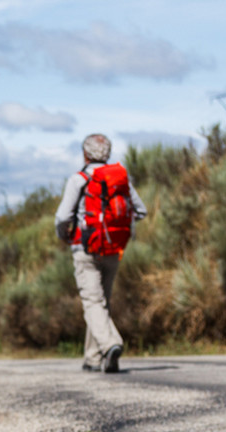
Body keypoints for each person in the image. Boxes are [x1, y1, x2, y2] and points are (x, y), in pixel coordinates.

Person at [54, 133, 147, 374]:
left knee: (92, 302)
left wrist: (64, 235)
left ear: (85, 154)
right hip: (114, 248)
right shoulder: (120, 179)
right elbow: (141, 210)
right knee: (101, 303)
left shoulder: (79, 179)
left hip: (86, 248)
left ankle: (110, 344)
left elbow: (63, 217)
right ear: (108, 153)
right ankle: (92, 358)